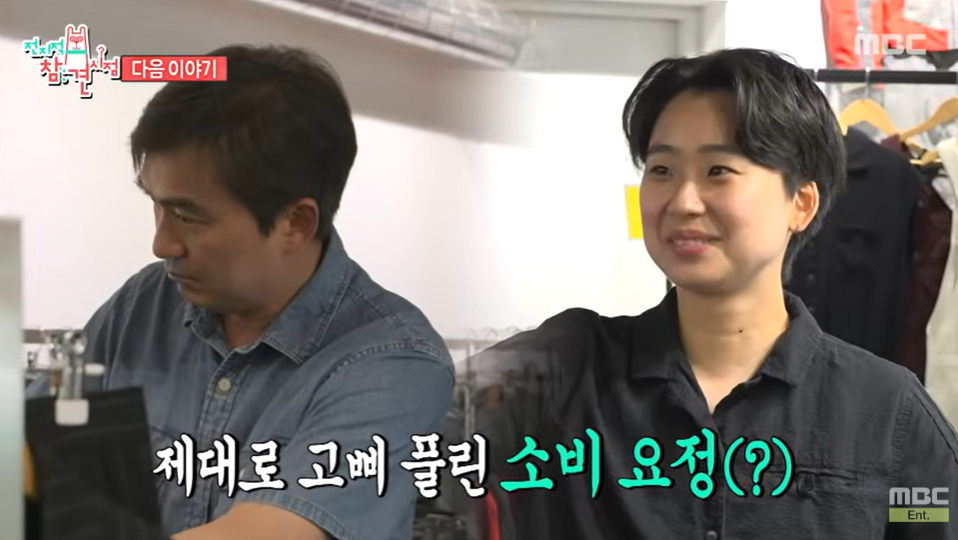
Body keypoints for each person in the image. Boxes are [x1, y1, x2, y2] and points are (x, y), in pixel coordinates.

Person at [461, 48, 958, 539]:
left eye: (718, 170)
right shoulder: (562, 371)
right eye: (662, 170)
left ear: (800, 204)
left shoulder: (887, 412)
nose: (683, 201)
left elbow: (927, 523)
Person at [26, 45, 455, 540]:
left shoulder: (394, 363)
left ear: (295, 223)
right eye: (156, 205)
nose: (162, 243)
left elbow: (273, 531)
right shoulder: (143, 306)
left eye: (187, 215)